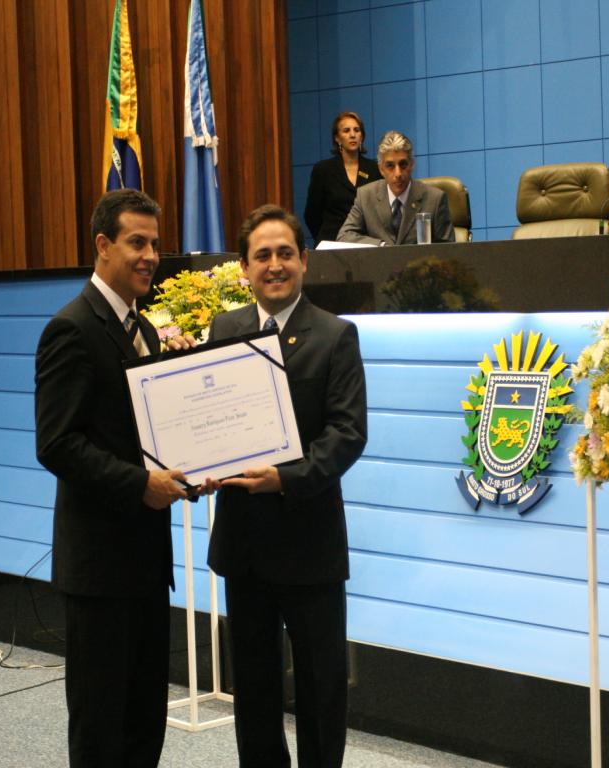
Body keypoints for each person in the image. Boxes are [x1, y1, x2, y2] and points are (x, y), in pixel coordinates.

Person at [35, 189, 202, 767]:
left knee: (142, 726)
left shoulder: (146, 330)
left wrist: (190, 467)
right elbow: (57, 444)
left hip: (145, 567)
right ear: (103, 246)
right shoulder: (71, 329)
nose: (150, 255)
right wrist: (140, 485)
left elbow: (147, 437)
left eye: (155, 243)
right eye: (137, 242)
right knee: (101, 729)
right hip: (99, 570)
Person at [208, 205, 368, 767]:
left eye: (284, 254)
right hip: (244, 544)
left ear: (303, 260)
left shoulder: (335, 336)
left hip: (310, 544)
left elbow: (347, 435)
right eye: (261, 256)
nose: (274, 265)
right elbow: (211, 422)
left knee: (322, 692)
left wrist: (284, 478)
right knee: (253, 692)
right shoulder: (223, 330)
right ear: (244, 269)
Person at [336, 130, 454, 245]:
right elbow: (344, 236)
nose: (398, 173)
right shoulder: (365, 196)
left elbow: (448, 251)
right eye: (390, 166)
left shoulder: (435, 199)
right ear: (381, 169)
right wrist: (381, 246)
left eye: (403, 164)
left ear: (412, 165)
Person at [303, 111, 382, 244]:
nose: (352, 135)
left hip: (365, 241)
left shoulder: (374, 169)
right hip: (331, 242)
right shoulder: (323, 170)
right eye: (346, 131)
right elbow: (311, 214)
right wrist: (324, 239)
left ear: (361, 136)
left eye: (357, 130)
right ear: (337, 138)